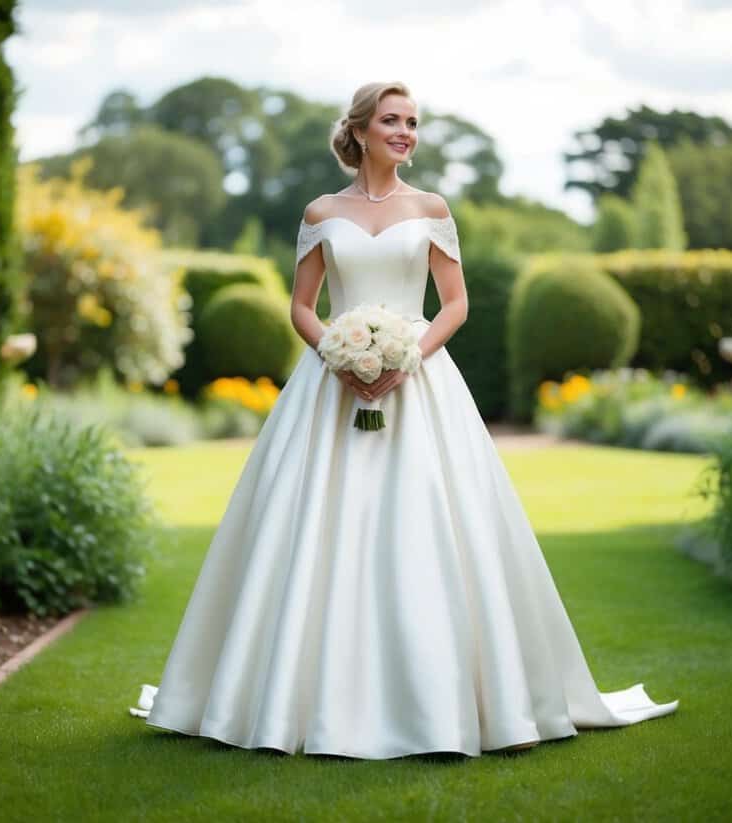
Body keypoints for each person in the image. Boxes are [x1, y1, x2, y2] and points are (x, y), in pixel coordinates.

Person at [132, 81, 678, 759]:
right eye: (391, 120)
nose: (405, 132)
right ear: (359, 130)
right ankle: (285, 700)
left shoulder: (431, 208)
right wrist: (337, 352)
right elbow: (302, 305)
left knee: (432, 529)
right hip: (329, 389)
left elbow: (454, 304)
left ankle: (446, 703)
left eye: (413, 122)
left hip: (420, 385)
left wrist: (405, 358)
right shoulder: (320, 211)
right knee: (307, 533)